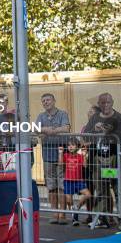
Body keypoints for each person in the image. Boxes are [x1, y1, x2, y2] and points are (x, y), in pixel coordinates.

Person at [83, 93, 121, 229]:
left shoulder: (120, 118)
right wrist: (94, 129)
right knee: (101, 189)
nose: (105, 105)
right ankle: (100, 218)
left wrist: (111, 132)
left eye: (108, 102)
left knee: (118, 189)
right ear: (99, 104)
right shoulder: (94, 118)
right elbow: (85, 137)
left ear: (112, 102)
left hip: (113, 160)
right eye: (102, 103)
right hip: (98, 159)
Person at [36, 93, 70, 224]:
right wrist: (48, 129)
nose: (46, 102)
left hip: (61, 154)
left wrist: (49, 131)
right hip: (47, 154)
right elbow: (35, 129)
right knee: (51, 186)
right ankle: (54, 213)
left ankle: (63, 214)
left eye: (48, 100)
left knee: (62, 184)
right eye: (43, 100)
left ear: (54, 101)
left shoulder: (62, 114)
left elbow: (66, 128)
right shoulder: (41, 116)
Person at [58, 138, 92, 226]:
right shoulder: (66, 155)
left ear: (77, 147)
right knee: (69, 200)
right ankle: (74, 218)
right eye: (69, 145)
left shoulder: (80, 156)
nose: (71, 147)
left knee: (88, 194)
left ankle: (77, 206)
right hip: (68, 181)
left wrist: (84, 155)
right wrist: (60, 153)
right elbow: (61, 164)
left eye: (73, 145)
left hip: (78, 181)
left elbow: (85, 165)